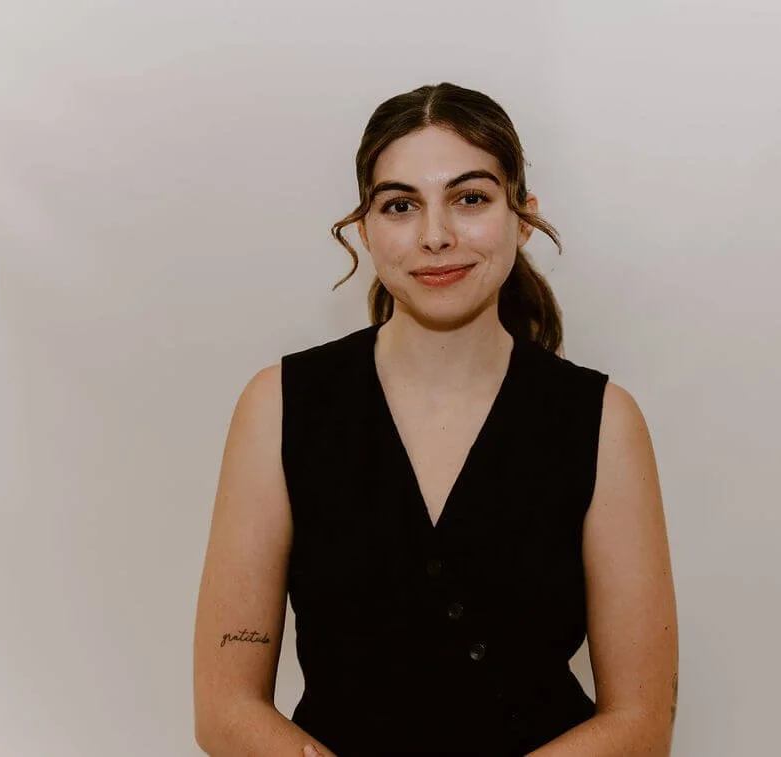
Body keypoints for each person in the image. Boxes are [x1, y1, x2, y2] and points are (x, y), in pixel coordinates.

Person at [193, 82, 678, 757]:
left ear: (523, 216)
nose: (436, 235)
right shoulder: (277, 406)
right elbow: (225, 707)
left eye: (470, 198)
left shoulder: (602, 421)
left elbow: (642, 723)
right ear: (364, 226)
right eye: (401, 205)